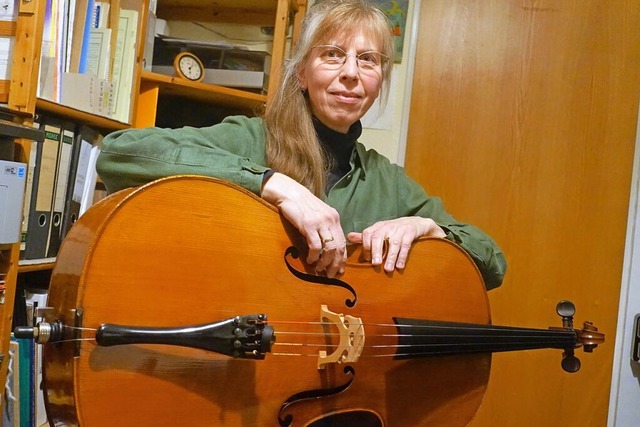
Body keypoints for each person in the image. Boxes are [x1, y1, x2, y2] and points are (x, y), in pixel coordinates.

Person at [96, 0, 506, 290]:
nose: (351, 73)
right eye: (332, 55)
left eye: (368, 60)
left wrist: (426, 228)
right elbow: (119, 153)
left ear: (380, 80)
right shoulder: (251, 137)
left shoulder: (388, 181)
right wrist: (272, 183)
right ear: (302, 75)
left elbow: (492, 266)